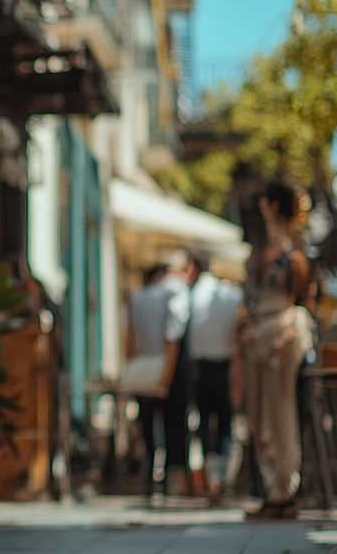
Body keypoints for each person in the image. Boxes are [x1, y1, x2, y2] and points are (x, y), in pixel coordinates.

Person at [239, 181, 315, 520]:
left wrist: (288, 334)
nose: (260, 208)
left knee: (279, 408)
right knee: (255, 413)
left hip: (282, 333)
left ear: (272, 206)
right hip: (256, 336)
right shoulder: (258, 251)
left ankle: (284, 490)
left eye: (264, 202)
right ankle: (275, 485)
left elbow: (304, 303)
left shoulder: (293, 256)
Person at [127, 250, 193, 500]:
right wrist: (166, 378)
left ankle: (148, 479)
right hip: (169, 369)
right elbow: (173, 337)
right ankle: (171, 482)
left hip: (144, 367)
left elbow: (131, 337)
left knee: (147, 427)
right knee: (174, 426)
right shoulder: (175, 292)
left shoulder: (140, 296)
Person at [186, 252, 244, 503]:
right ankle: (221, 478)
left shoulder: (192, 295)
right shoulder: (230, 294)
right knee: (224, 424)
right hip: (227, 366)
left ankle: (212, 478)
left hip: (200, 368)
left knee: (205, 423)